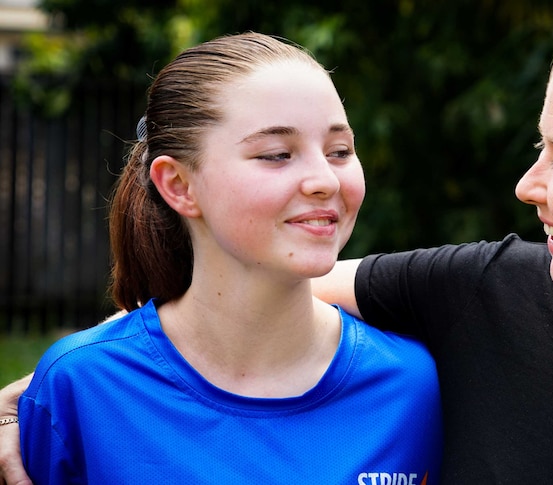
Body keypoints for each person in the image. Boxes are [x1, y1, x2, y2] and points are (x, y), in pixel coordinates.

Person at [3, 8, 553, 484]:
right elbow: (242, 302)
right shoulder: (485, 294)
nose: (527, 187)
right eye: (537, 149)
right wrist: (30, 408)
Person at [0, 32, 442, 483]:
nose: (324, 179)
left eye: (340, 151)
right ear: (178, 185)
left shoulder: (411, 385)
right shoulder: (80, 386)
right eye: (277, 154)